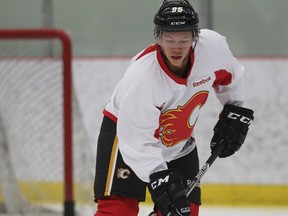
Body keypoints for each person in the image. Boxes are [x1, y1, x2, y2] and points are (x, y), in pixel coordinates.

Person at [93, 0, 254, 215]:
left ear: (195, 37)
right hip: (125, 137)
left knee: (186, 211)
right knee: (118, 210)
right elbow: (136, 141)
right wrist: (158, 175)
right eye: (169, 39)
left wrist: (234, 112)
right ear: (158, 38)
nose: (176, 47)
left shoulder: (213, 49)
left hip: (177, 141)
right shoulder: (143, 77)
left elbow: (230, 77)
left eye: (184, 39)